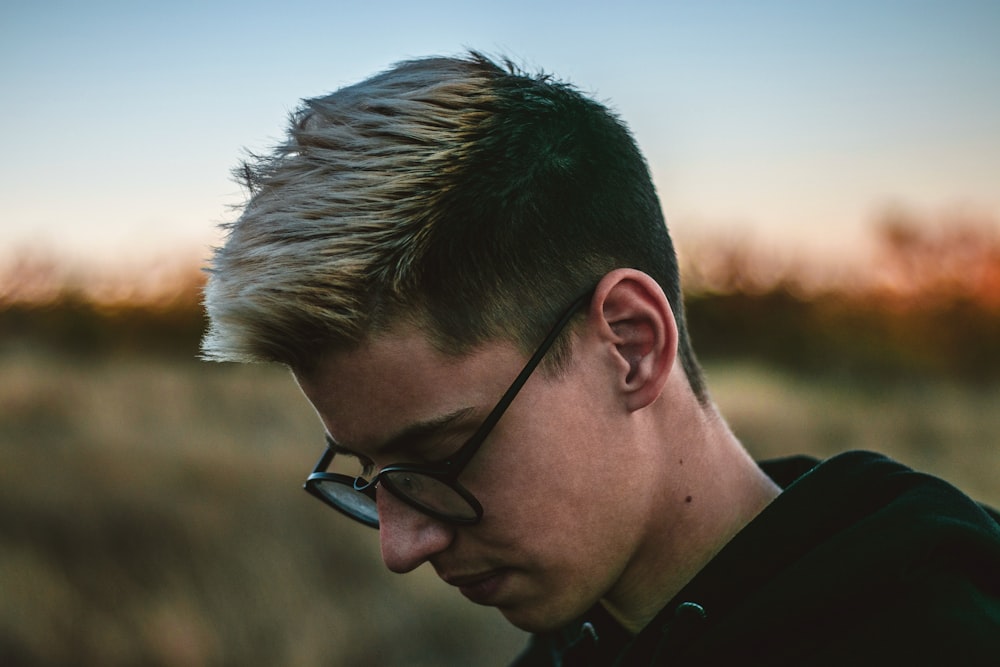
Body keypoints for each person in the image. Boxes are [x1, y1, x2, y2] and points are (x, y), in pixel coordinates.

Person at [202, 52, 1000, 665]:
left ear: (630, 343)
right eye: (372, 475)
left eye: (441, 455)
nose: (402, 546)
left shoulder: (936, 632)